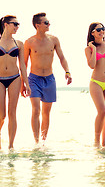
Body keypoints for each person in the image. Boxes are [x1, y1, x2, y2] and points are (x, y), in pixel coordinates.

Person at [21, 12, 72, 145]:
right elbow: (24, 64)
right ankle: (36, 141)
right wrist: (23, 83)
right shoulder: (29, 42)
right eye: (46, 22)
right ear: (37, 25)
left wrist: (67, 72)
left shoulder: (54, 40)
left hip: (49, 79)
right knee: (36, 109)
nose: (49, 24)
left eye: (48, 22)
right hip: (34, 79)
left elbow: (62, 57)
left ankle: (43, 141)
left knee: (46, 112)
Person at [0, 15, 31, 150]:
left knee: (12, 113)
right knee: (2, 115)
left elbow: (23, 66)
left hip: (15, 78)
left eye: (18, 24)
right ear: (6, 24)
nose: (17, 27)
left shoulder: (19, 44)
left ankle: (10, 146)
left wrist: (26, 83)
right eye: (15, 24)